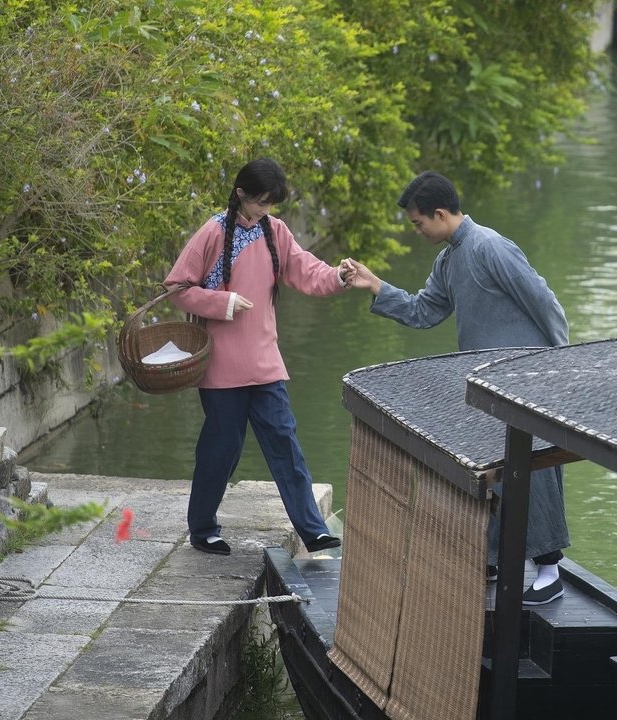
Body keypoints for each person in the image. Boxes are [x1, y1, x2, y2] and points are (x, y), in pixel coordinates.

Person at [340, 170, 571, 605]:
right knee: (491, 469)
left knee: (535, 471)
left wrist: (560, 362)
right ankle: (492, 559)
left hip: (526, 377)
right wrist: (375, 285)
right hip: (487, 383)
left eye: (417, 223)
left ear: (440, 213)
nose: (417, 231)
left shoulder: (490, 247)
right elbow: (424, 311)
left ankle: (550, 570)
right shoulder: (448, 260)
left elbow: (544, 301)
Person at [165, 157, 346, 556]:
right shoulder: (212, 232)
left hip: (265, 363)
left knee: (285, 442)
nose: (266, 210)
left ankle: (312, 530)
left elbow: (306, 270)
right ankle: (203, 528)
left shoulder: (274, 231)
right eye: (260, 202)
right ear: (241, 193)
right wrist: (223, 301)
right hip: (221, 368)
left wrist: (338, 276)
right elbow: (177, 287)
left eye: (271, 204)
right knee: (221, 450)